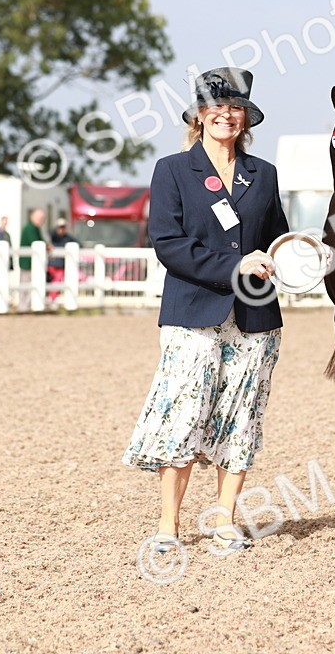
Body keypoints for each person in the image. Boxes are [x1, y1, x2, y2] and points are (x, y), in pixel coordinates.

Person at [122, 66, 289, 553]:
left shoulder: (265, 175)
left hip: (256, 317)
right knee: (185, 415)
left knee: (242, 416)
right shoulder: (172, 171)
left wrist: (294, 256)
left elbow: (275, 239)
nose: (225, 115)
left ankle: (223, 521)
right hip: (193, 313)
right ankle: (168, 527)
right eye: (216, 107)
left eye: (234, 107)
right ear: (199, 114)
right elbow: (168, 244)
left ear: (246, 117)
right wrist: (236, 266)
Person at [18, 208, 46, 312]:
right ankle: (23, 306)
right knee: (26, 285)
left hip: (33, 263)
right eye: (40, 218)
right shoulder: (30, 228)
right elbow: (36, 242)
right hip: (27, 262)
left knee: (31, 284)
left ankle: (27, 305)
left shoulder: (34, 228)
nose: (42, 220)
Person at [47, 218, 76, 301]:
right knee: (51, 282)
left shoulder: (68, 238)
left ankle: (52, 299)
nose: (61, 229)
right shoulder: (53, 236)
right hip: (52, 264)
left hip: (60, 265)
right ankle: (51, 298)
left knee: (57, 282)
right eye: (60, 227)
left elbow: (78, 244)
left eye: (63, 227)